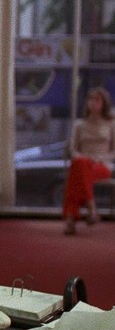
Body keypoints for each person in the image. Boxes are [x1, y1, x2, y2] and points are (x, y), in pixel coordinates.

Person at [62, 87, 115, 235]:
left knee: (76, 174)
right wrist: (82, 157)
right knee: (80, 164)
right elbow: (73, 150)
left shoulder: (111, 123)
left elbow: (114, 151)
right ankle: (91, 208)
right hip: (83, 162)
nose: (92, 102)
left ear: (104, 103)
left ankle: (71, 220)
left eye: (97, 99)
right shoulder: (79, 124)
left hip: (102, 165)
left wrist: (99, 159)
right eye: (90, 99)